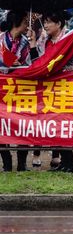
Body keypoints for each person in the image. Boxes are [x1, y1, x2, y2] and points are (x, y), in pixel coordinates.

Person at [27, 10, 73, 172]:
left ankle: (71, 164)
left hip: (68, 88)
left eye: (48, 22)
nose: (45, 26)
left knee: (64, 125)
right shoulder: (46, 42)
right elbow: (39, 65)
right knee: (57, 126)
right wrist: (32, 44)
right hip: (52, 89)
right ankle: (67, 163)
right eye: (44, 22)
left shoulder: (71, 40)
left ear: (59, 24)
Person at [0, 10, 30, 171]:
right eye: (25, 21)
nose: (27, 25)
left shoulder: (26, 42)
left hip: (21, 90)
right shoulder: (0, 40)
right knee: (1, 125)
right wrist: (10, 63)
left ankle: (22, 164)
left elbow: (30, 64)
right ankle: (7, 163)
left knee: (23, 125)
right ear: (16, 22)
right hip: (2, 91)